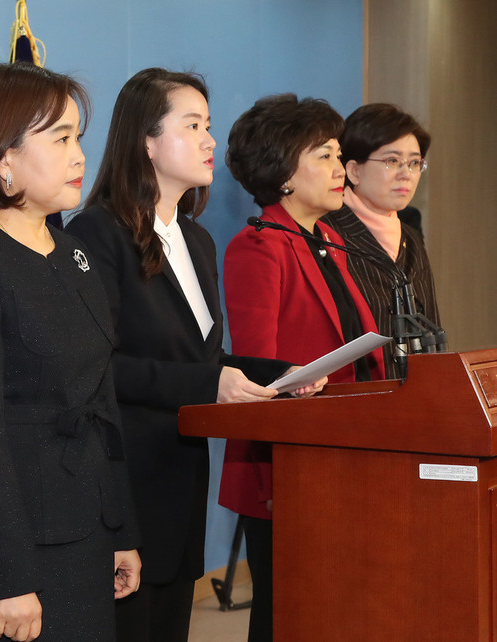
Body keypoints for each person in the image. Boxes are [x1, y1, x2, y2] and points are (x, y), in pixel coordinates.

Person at [66, 69, 322, 642]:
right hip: (127, 476)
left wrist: (283, 374)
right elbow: (100, 368)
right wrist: (209, 387)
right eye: (193, 125)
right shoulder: (97, 235)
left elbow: (205, 358)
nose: (210, 139)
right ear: (146, 141)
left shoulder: (196, 238)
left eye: (208, 125)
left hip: (183, 477)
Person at [0, 63, 141, 642]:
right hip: (20, 544)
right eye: (61, 138)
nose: (79, 157)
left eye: (79, 138)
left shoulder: (75, 254)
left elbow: (105, 408)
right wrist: (9, 578)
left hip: (88, 525)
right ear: (3, 159)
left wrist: (122, 529)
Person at [219, 94, 386, 641]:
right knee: (286, 611)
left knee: (333, 604)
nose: (341, 171)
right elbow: (257, 371)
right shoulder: (259, 246)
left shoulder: (332, 242)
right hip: (287, 467)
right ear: (284, 173)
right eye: (326, 156)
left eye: (340, 157)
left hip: (346, 455)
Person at [322, 103, 439, 378]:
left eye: (414, 163)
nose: (406, 174)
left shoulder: (410, 237)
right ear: (353, 171)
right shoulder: (325, 233)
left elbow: (432, 327)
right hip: (355, 401)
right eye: (392, 161)